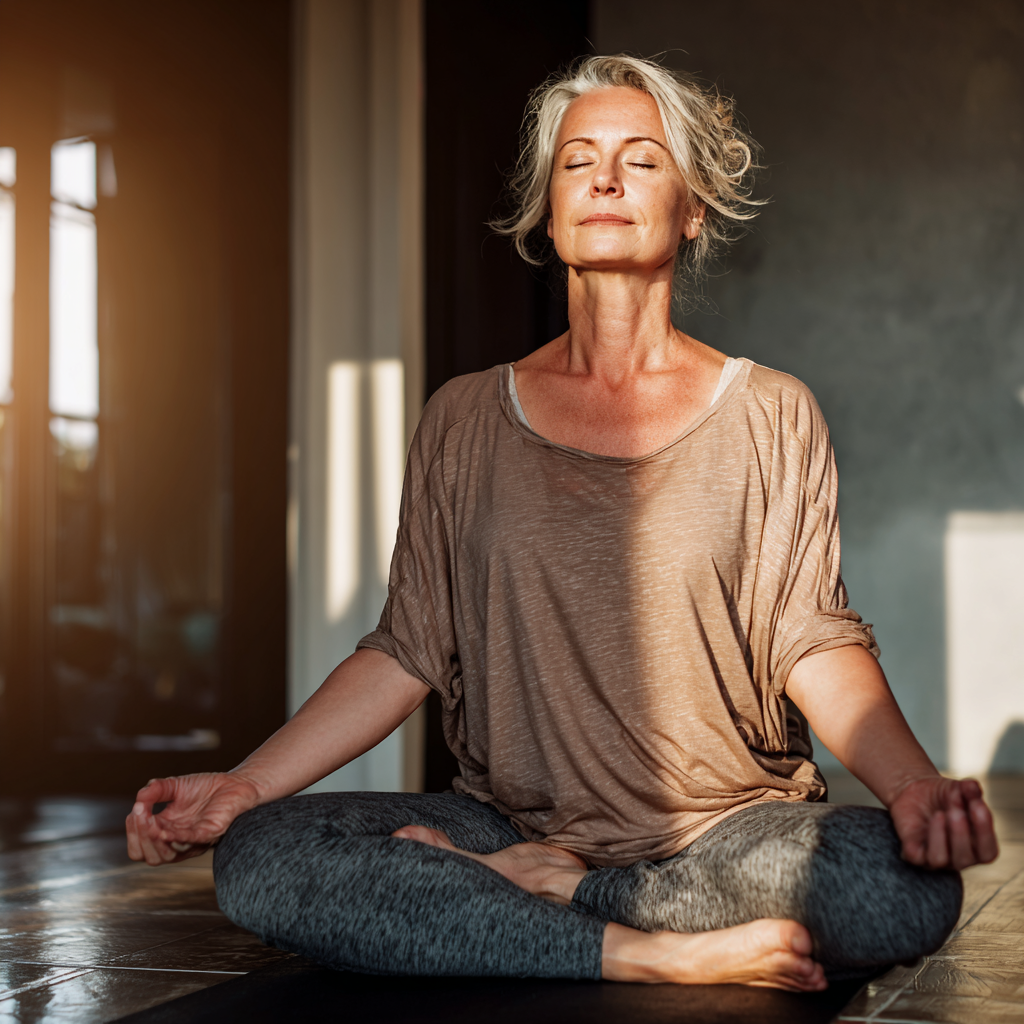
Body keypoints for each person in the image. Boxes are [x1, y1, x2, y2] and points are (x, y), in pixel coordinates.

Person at [126, 55, 998, 992]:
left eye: (642, 160)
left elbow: (809, 637)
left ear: (693, 208)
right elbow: (409, 646)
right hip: (504, 825)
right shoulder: (462, 417)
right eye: (579, 162)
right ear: (551, 212)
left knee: (894, 887)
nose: (608, 180)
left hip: (724, 829)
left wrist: (912, 789)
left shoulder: (771, 413)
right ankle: (643, 950)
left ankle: (552, 900)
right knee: (265, 855)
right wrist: (244, 787)